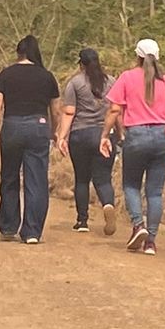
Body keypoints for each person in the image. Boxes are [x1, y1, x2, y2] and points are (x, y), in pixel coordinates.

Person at [101, 38, 165, 256]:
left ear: (137, 56)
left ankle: (138, 225)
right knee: (155, 192)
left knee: (131, 184)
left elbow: (114, 110)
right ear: (158, 56)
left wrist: (104, 135)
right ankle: (150, 242)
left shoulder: (127, 77)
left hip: (137, 136)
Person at [0, 35, 61, 245]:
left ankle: (8, 226)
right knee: (37, 179)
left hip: (12, 126)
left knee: (10, 176)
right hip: (39, 126)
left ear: (18, 53)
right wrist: (55, 132)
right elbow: (55, 110)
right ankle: (32, 231)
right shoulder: (47, 76)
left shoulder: (6, 74)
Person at [55, 48, 117, 234]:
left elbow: (69, 112)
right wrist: (120, 134)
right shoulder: (111, 82)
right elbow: (116, 111)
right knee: (103, 178)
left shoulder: (75, 83)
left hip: (80, 135)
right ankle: (108, 204)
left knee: (82, 178)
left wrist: (61, 136)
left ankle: (82, 221)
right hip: (104, 135)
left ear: (81, 64)